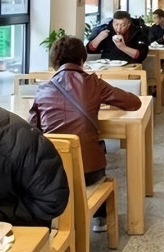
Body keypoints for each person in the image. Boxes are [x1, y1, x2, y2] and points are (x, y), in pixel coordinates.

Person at [29, 35, 140, 232]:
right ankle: (100, 217)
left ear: (53, 61)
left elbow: (33, 130)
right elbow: (134, 103)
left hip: (52, 173)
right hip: (88, 172)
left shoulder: (43, 89)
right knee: (96, 147)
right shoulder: (93, 83)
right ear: (83, 59)